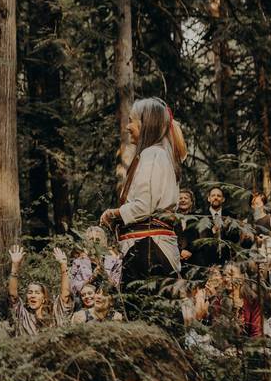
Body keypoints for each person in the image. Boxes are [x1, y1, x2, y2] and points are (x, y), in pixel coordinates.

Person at [99, 97, 187, 289]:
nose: (128, 126)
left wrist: (113, 213)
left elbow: (144, 206)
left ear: (146, 124)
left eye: (132, 120)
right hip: (151, 248)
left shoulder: (152, 155)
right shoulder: (160, 155)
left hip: (148, 249)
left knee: (144, 314)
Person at [7, 245, 72, 336]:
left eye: (37, 293)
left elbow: (65, 295)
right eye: (30, 292)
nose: (33, 295)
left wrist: (63, 265)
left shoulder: (55, 314)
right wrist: (15, 266)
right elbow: (13, 296)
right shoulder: (23, 316)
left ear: (44, 298)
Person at [68, 226, 122, 298]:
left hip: (107, 299)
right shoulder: (78, 262)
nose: (94, 243)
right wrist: (92, 277)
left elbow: (116, 288)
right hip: (86, 301)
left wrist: (105, 275)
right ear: (86, 243)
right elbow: (73, 289)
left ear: (104, 242)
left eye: (97, 240)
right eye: (91, 239)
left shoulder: (115, 261)